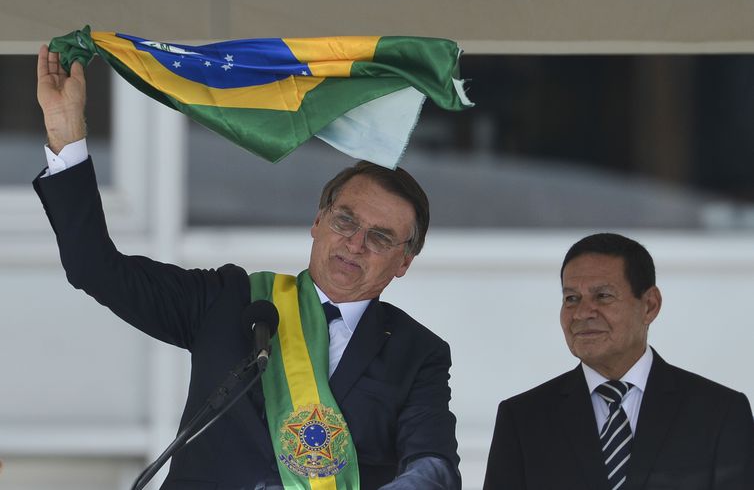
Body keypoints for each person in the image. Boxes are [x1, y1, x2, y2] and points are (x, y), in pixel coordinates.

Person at [35, 45, 460, 490]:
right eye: (346, 220)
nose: (355, 243)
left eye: (380, 237)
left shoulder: (418, 353)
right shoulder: (231, 299)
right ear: (318, 221)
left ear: (404, 261)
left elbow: (434, 469)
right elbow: (94, 268)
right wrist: (66, 131)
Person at [483, 232, 754, 490]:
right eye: (571, 299)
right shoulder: (523, 420)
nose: (582, 313)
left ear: (649, 305)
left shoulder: (720, 413)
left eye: (603, 296)